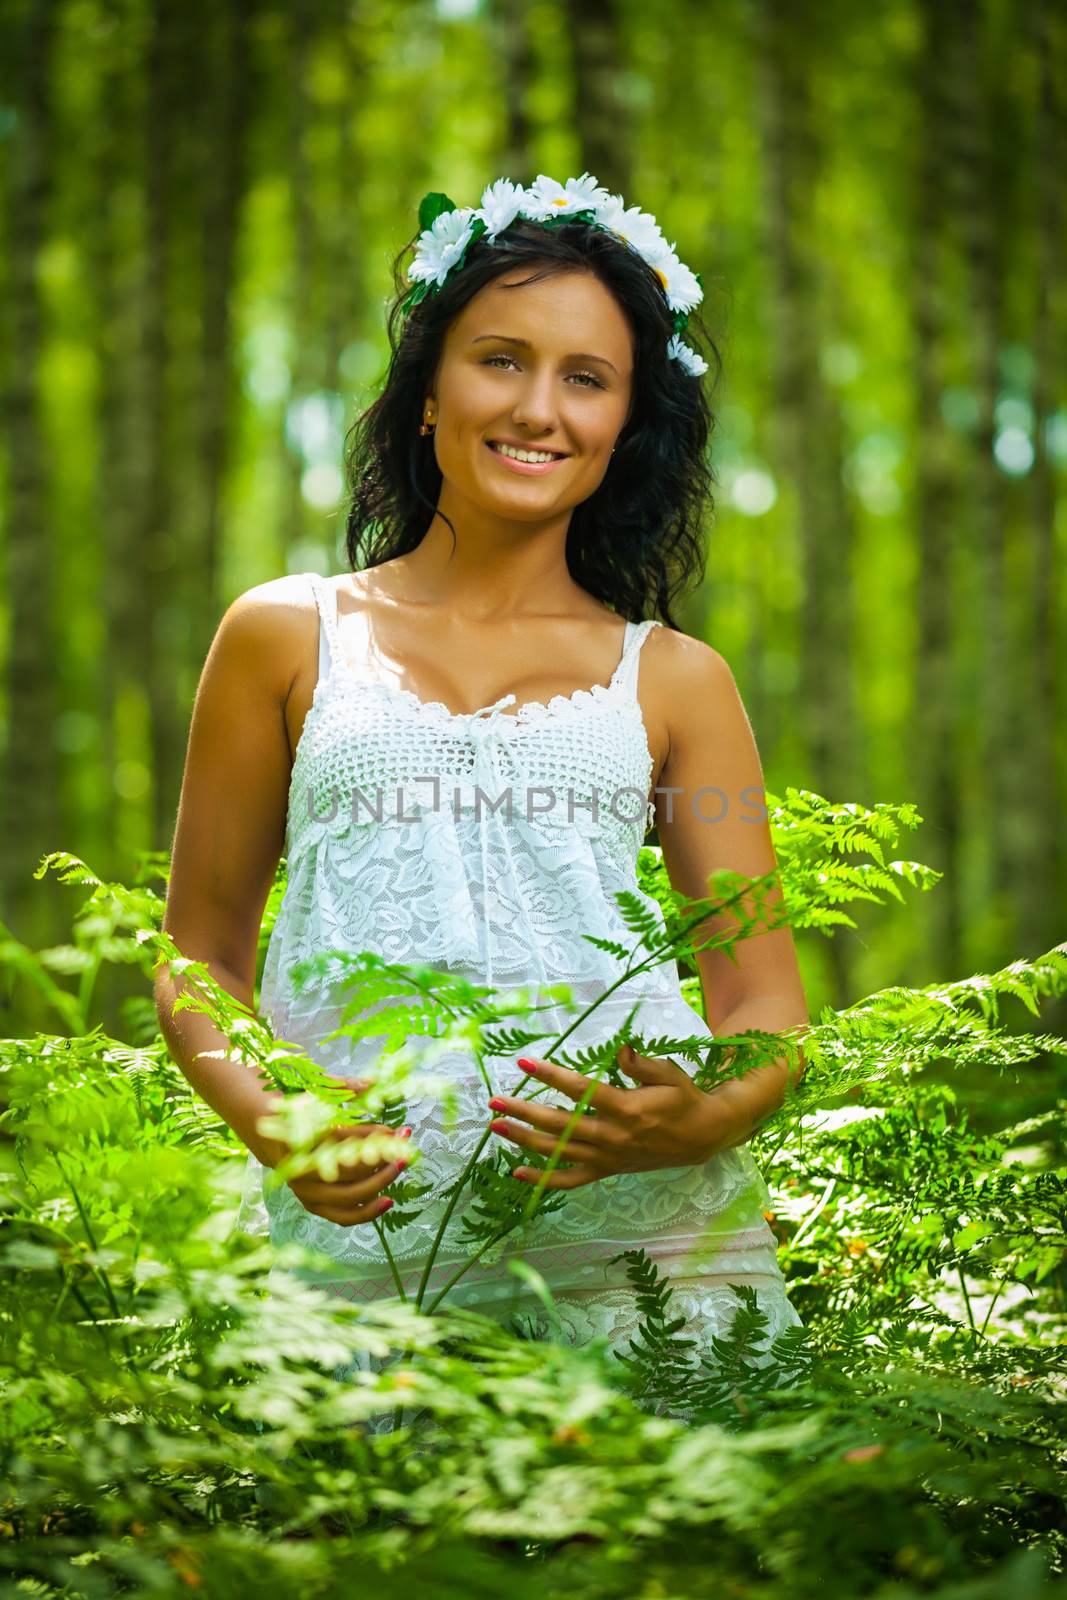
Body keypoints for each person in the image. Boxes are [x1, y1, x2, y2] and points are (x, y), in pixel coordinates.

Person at [156, 173, 809, 1374]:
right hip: (377, 1256)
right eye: (499, 359)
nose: (539, 408)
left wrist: (693, 1119)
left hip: (652, 1257)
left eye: (586, 377)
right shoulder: (283, 635)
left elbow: (764, 1005)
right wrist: (275, 1120)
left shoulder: (673, 680)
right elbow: (198, 956)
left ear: (624, 426)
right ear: (424, 392)